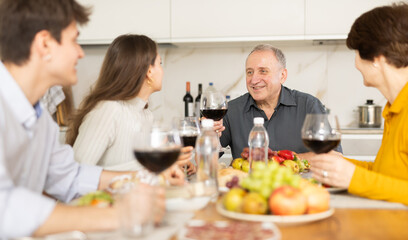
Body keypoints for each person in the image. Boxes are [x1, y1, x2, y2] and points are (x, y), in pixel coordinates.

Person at [0, 0, 182, 238]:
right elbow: (5, 207)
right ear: (44, 44)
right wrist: (120, 214)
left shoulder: (40, 118)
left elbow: (71, 177)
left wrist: (144, 176)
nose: (80, 52)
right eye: (74, 40)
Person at [309, 3, 408, 205]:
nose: (355, 63)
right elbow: (386, 175)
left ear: (377, 59)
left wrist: (354, 178)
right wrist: (342, 163)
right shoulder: (395, 108)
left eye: (356, 52)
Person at [65, 34, 196, 175]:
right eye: (160, 63)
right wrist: (155, 166)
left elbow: (141, 174)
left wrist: (169, 165)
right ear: (149, 72)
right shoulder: (108, 110)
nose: (162, 71)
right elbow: (76, 174)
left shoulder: (145, 115)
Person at [220, 44, 342, 159]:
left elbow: (335, 157)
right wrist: (206, 134)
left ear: (282, 76)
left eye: (263, 71)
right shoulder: (230, 111)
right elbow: (203, 159)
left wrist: (285, 159)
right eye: (250, 72)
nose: (254, 80)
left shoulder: (308, 106)